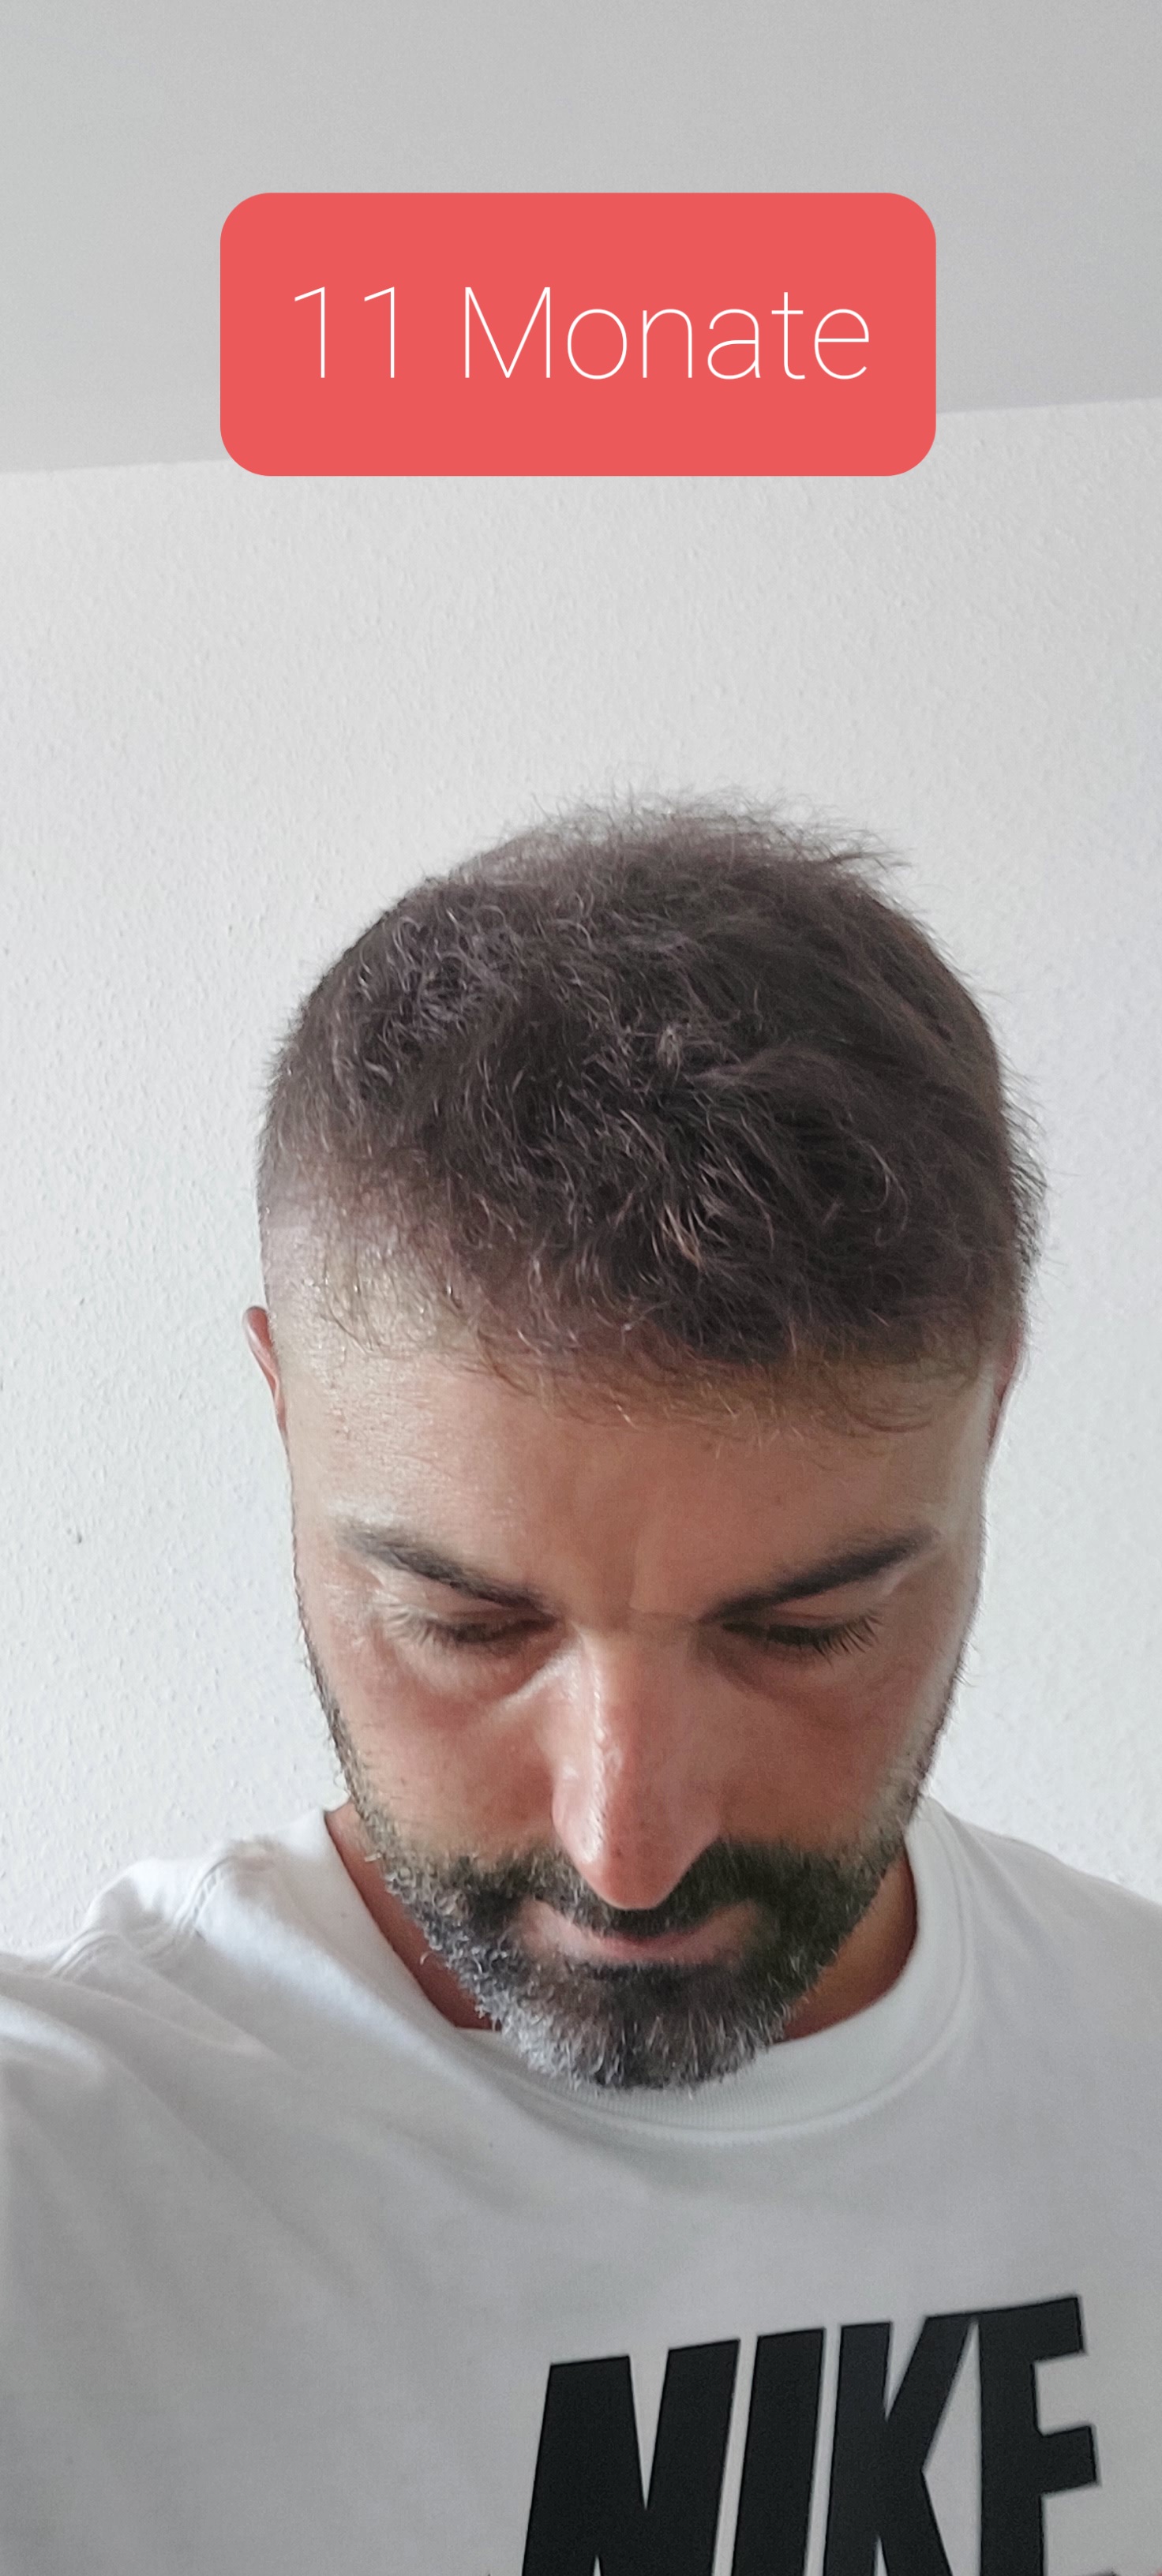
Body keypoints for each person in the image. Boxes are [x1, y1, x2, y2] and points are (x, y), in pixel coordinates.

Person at [2, 802, 1158, 2574]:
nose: (627, 1850)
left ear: (989, 1414)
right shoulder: (61, 2192)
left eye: (805, 1630)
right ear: (289, 1412)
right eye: (466, 1627)